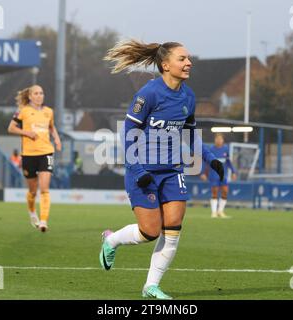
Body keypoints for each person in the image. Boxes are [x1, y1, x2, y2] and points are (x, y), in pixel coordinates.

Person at [99, 40, 224, 299]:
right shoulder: (149, 93)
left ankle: (150, 287)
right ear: (165, 65)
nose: (188, 63)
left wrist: (210, 159)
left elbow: (190, 134)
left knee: (174, 226)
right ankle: (111, 240)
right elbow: (128, 134)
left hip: (172, 170)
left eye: (189, 58)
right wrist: (138, 169)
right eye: (182, 59)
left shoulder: (188, 96)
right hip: (142, 171)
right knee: (149, 231)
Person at [7, 85, 62, 232]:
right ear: (30, 96)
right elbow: (11, 128)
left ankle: (43, 221)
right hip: (29, 155)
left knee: (44, 189)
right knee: (32, 191)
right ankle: (32, 212)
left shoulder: (48, 111)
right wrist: (27, 133)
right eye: (36, 93)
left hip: (46, 152)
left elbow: (51, 127)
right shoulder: (23, 111)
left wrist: (57, 139)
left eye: (41, 93)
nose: (39, 96)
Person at [200, 133, 237, 218]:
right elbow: (206, 162)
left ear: (223, 140)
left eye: (220, 139)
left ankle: (220, 211)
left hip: (224, 175)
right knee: (215, 192)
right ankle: (214, 212)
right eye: (217, 139)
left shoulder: (225, 149)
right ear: (215, 140)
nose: (219, 140)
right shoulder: (211, 149)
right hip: (213, 174)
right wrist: (203, 173)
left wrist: (233, 172)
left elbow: (228, 162)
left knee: (225, 192)